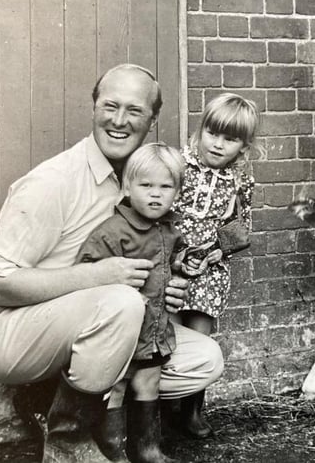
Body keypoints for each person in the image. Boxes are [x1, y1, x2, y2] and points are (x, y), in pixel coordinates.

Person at [0, 64, 224, 462]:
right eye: (110, 106)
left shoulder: (143, 180)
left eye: (134, 111)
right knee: (120, 303)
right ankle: (69, 445)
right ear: (94, 107)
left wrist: (165, 282)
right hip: (7, 328)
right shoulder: (53, 182)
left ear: (152, 120)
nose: (119, 121)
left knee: (203, 358)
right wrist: (98, 276)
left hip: (94, 322)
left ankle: (53, 403)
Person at [75, 143, 194, 462]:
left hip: (154, 329)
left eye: (165, 186)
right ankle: (113, 448)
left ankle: (147, 448)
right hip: (121, 332)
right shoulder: (113, 232)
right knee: (116, 385)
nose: (155, 194)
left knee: (149, 382)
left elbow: (173, 261)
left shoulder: (169, 230)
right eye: (146, 185)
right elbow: (86, 274)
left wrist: (184, 268)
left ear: (177, 191)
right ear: (127, 187)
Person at [170, 92, 258, 438]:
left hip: (210, 269)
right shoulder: (179, 164)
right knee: (168, 332)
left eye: (230, 138)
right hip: (174, 264)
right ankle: (162, 407)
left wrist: (221, 251)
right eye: (212, 133)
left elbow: (241, 226)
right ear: (201, 130)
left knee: (199, 334)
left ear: (244, 146)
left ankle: (191, 410)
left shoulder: (240, 180)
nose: (218, 144)